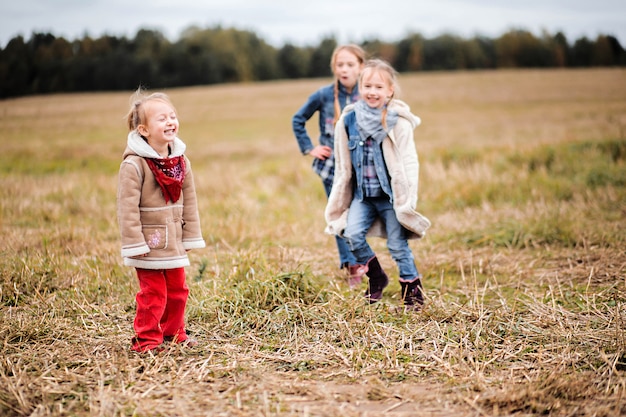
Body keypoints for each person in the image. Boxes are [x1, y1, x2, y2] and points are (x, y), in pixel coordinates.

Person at [325, 59, 431, 310]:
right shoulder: (349, 121)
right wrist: (341, 194)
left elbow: (409, 162)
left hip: (389, 197)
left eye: (379, 87)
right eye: (367, 86)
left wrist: (408, 199)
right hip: (363, 196)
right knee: (350, 234)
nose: (373, 92)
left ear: (390, 90)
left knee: (397, 245)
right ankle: (376, 276)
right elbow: (343, 163)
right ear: (360, 88)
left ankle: (412, 290)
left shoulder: (398, 123)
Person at [117, 88, 206, 352]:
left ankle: (174, 332)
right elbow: (127, 208)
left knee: (178, 289)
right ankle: (146, 340)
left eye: (172, 116)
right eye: (161, 118)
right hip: (148, 242)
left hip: (174, 239)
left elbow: (189, 200)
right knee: (153, 293)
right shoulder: (134, 165)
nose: (170, 122)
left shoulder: (181, 161)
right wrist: (135, 243)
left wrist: (190, 234)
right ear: (143, 129)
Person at [292, 44, 366, 287]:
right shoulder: (324, 95)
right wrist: (310, 148)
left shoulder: (368, 93)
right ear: (334, 67)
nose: (344, 69)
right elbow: (298, 119)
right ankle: (351, 266)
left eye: (350, 64)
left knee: (360, 214)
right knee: (338, 216)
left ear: (361, 67)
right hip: (332, 167)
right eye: (339, 65)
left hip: (362, 165)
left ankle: (365, 259)